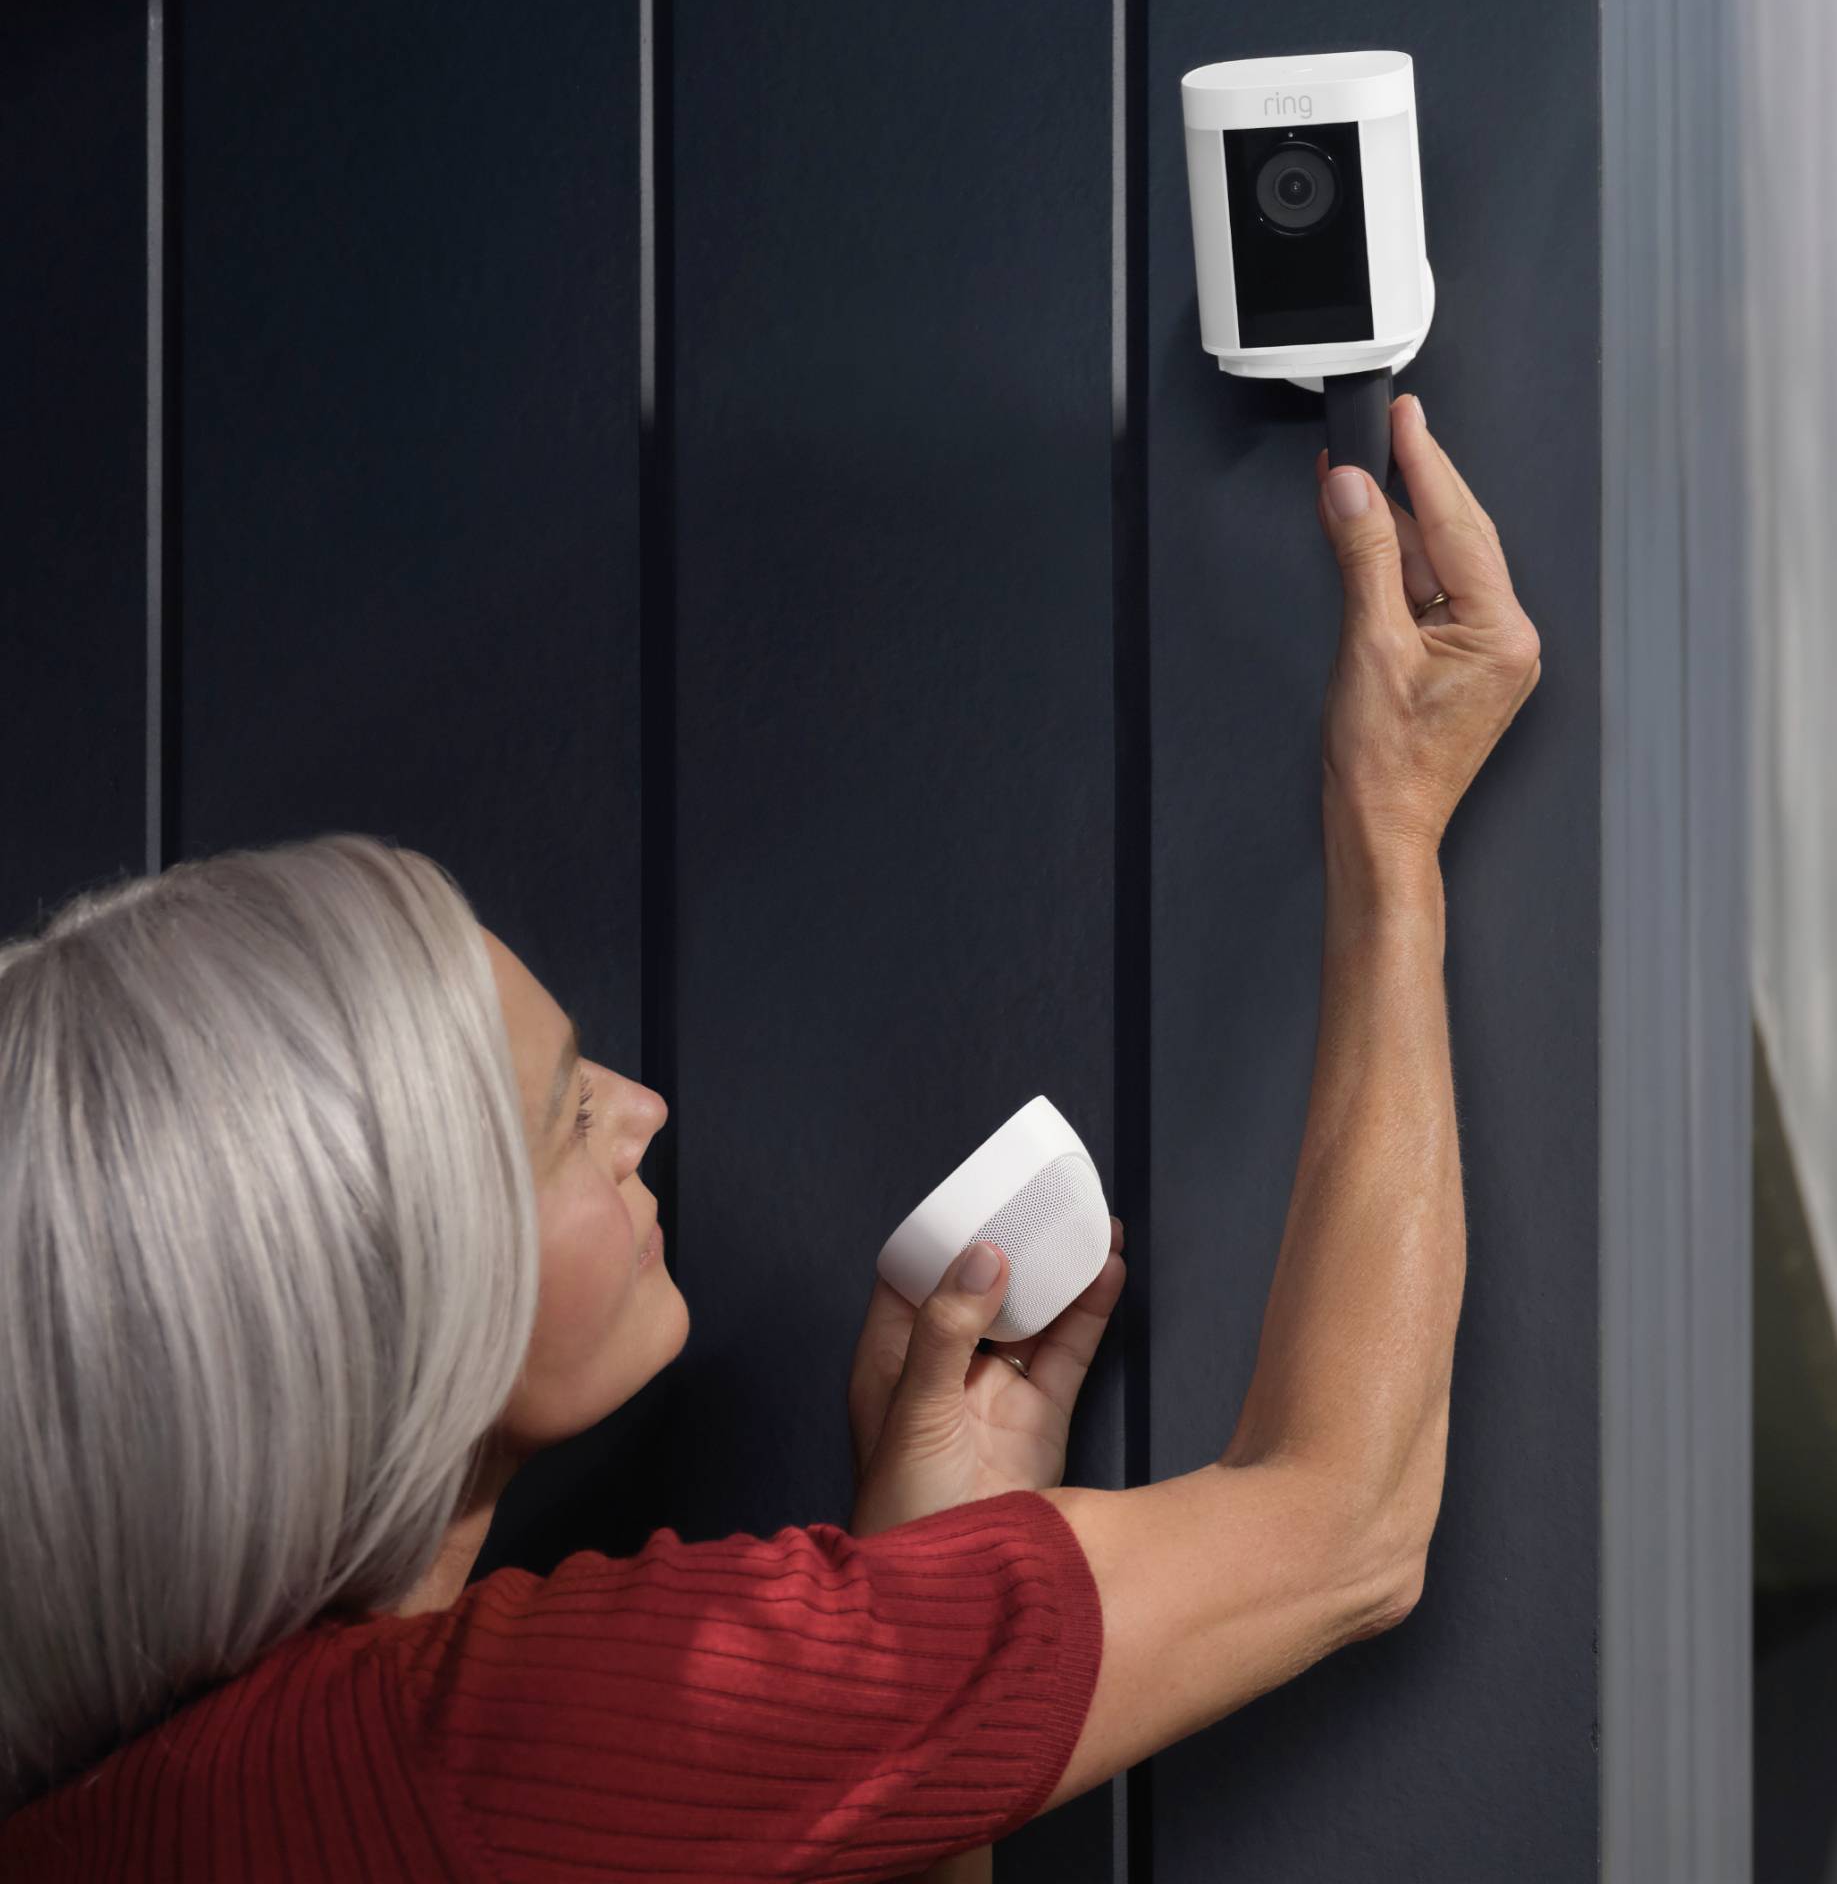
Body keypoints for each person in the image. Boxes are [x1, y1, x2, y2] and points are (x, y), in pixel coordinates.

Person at [0, 394, 1538, 1882]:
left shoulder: (129, 1810)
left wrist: (920, 1620)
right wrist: (1386, 833)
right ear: (375, 1312)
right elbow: (1345, 1523)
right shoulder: (489, 1742)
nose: (645, 1115)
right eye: (564, 1117)